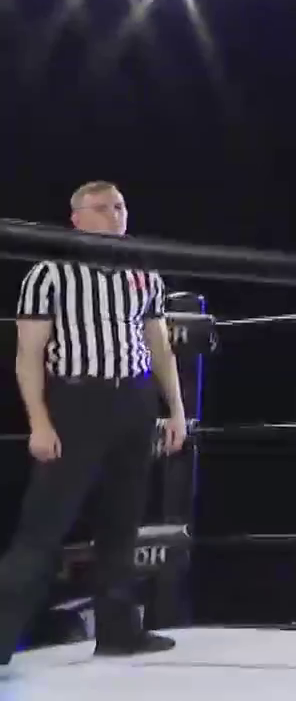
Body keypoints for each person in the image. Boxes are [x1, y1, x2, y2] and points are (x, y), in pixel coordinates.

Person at [0, 181, 188, 663]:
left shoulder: (142, 272)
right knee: (43, 527)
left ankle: (119, 631)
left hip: (134, 400)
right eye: (102, 208)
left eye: (120, 206)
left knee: (123, 520)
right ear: (77, 219)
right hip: (77, 401)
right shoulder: (48, 275)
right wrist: (39, 422)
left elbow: (159, 345)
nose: (114, 215)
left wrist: (176, 409)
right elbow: (28, 356)